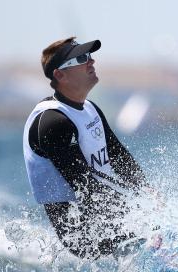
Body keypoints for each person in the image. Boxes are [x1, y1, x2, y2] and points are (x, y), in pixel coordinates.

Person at [23, 37, 146, 258]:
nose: (91, 62)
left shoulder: (90, 108)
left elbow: (119, 157)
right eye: (81, 59)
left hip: (107, 209)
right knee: (156, 236)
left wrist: (149, 196)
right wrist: (140, 220)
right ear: (60, 75)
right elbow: (84, 186)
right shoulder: (53, 122)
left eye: (89, 56)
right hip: (81, 228)